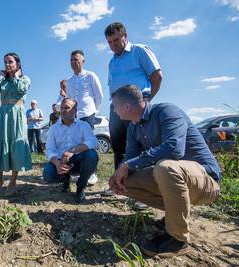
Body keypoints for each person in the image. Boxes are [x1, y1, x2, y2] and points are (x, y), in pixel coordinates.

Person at [108, 85, 221, 257]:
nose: (114, 111)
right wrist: (117, 175)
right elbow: (130, 157)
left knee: (165, 167)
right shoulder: (133, 127)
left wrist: (129, 165)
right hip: (175, 178)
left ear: (126, 107)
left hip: (206, 181)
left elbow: (174, 148)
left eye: (114, 106)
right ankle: (174, 217)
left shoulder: (167, 111)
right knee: (126, 181)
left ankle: (178, 240)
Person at [104, 22, 163, 170]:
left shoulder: (140, 51)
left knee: (139, 144)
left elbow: (157, 77)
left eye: (116, 40)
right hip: (116, 108)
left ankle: (142, 181)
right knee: (118, 145)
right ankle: (119, 182)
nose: (113, 45)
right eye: (109, 42)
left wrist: (146, 101)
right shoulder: (112, 62)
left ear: (125, 36)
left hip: (136, 105)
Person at [0, 52, 32, 195]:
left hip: (17, 113)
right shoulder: (4, 81)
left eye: (10, 62)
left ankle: (12, 182)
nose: (7, 64)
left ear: (18, 64)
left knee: (17, 145)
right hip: (3, 114)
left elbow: (21, 89)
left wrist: (16, 76)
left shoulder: (24, 78)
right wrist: (1, 75)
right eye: (5, 62)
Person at [43, 98, 99, 203]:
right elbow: (49, 149)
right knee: (48, 173)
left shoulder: (83, 125)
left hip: (78, 161)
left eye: (67, 108)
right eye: (62, 108)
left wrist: (72, 150)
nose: (63, 110)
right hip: (61, 162)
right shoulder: (54, 128)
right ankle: (65, 179)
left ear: (75, 110)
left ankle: (80, 188)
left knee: (92, 155)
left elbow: (93, 142)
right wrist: (57, 163)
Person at [65, 50, 103, 184]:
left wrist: (94, 110)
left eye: (76, 59)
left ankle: (92, 172)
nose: (74, 62)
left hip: (88, 113)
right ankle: (78, 171)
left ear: (83, 61)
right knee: (76, 143)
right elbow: (68, 99)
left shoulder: (90, 76)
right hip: (75, 116)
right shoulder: (69, 81)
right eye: (71, 60)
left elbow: (99, 96)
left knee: (89, 143)